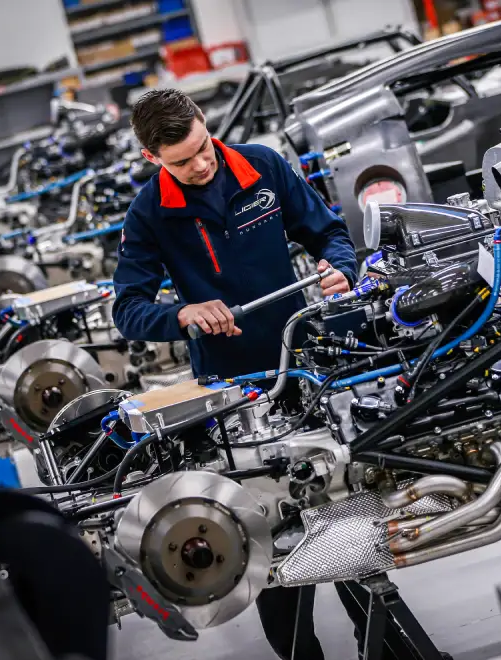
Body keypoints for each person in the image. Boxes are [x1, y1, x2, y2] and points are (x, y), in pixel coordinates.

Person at [112, 89, 370, 659]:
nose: (201, 164)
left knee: (339, 516)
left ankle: (382, 644)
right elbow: (126, 309)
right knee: (268, 546)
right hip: (230, 400)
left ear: (206, 123)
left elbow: (326, 231)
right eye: (182, 161)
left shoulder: (265, 166)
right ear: (153, 158)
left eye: (203, 147)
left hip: (301, 371)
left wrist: (339, 267)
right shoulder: (150, 211)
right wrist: (180, 314)